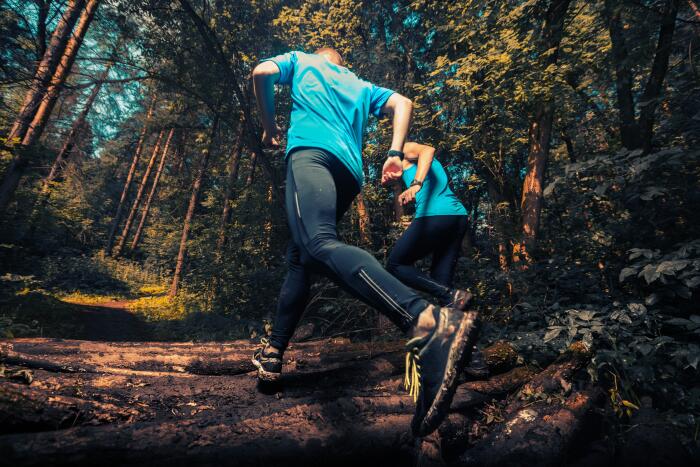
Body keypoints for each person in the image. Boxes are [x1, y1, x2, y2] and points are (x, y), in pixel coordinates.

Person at [250, 47, 479, 437]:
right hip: (348, 172)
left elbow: (260, 72)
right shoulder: (358, 84)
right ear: (343, 63)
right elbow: (403, 103)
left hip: (312, 156)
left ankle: (425, 321)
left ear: (321, 57)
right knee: (302, 256)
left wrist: (270, 127)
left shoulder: (302, 60)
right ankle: (274, 353)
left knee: (317, 243)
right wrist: (393, 152)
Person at [384, 141, 472, 309]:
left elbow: (428, 150)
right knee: (440, 279)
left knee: (395, 264)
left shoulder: (404, 148)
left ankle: (450, 295)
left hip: (436, 214)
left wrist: (416, 184)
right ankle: (459, 329)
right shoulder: (410, 162)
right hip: (456, 216)